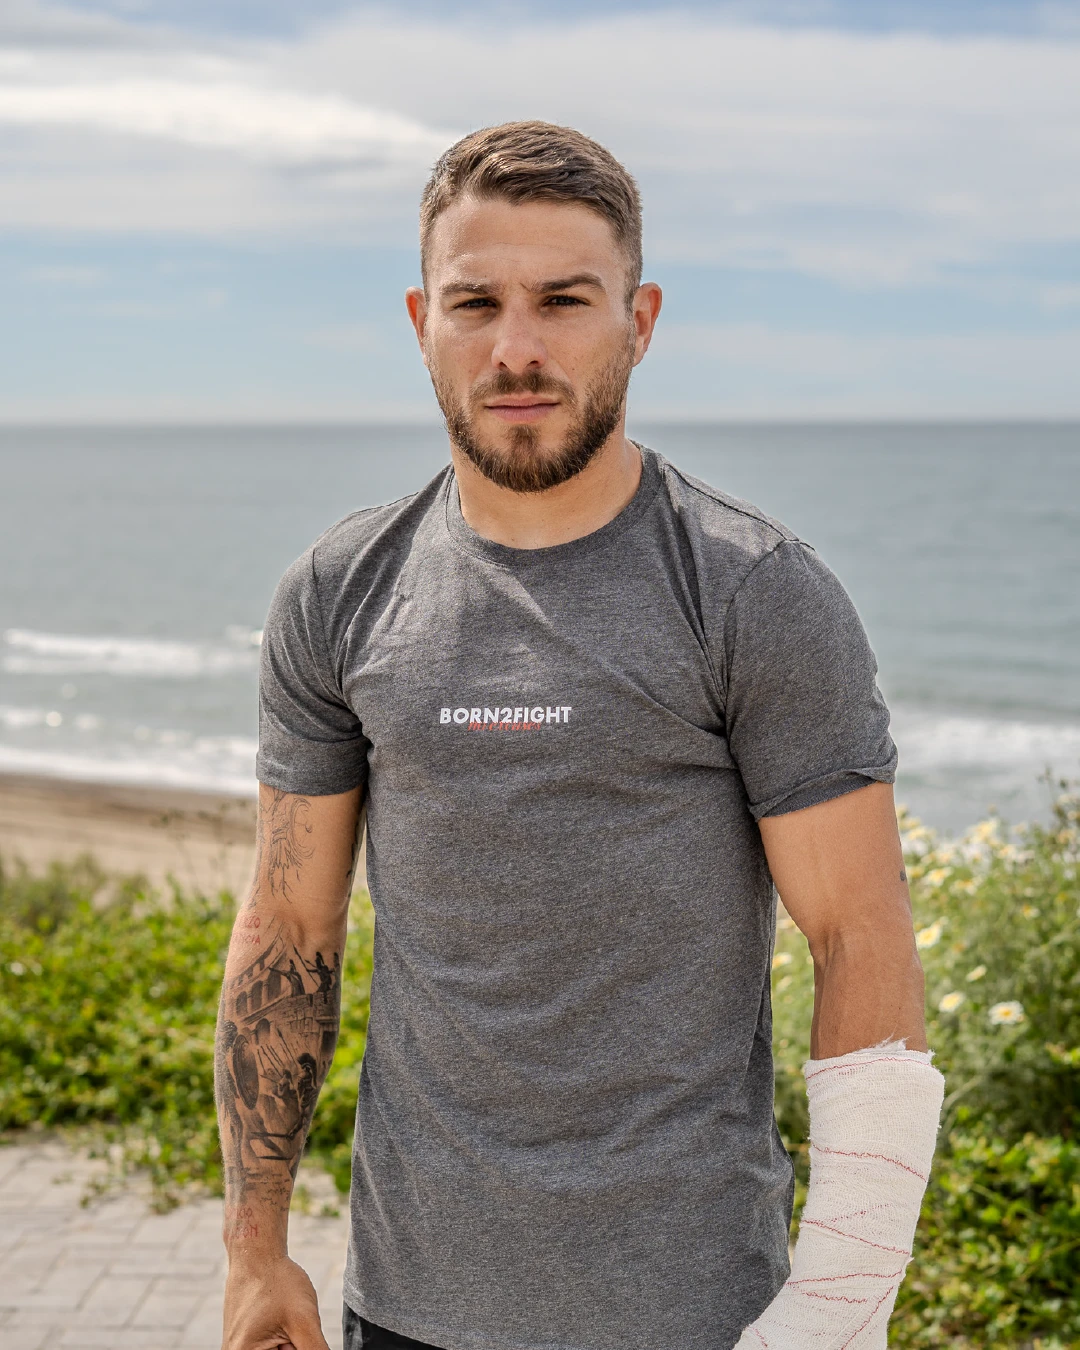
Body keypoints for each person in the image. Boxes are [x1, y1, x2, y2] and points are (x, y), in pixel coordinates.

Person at [215, 122, 944, 1350]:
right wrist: (254, 1249)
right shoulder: (340, 592)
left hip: (698, 1313)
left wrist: (841, 1298)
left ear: (640, 322)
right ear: (421, 323)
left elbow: (858, 932)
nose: (517, 348)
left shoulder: (753, 592)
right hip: (406, 1305)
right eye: (476, 304)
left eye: (564, 300)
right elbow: (289, 928)